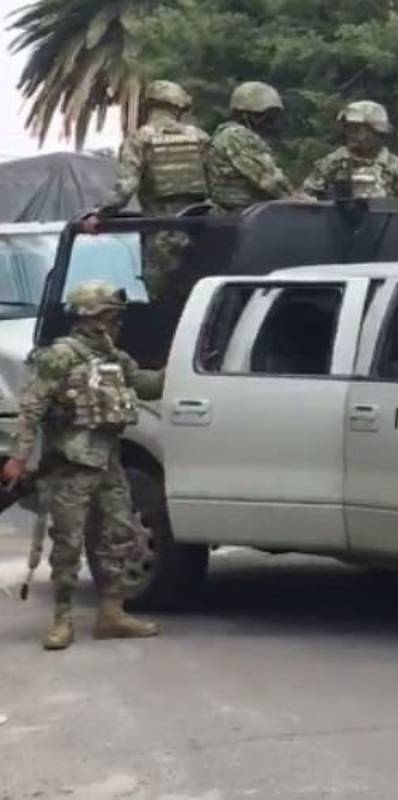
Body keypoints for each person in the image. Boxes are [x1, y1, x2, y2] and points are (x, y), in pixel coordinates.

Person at [1, 282, 164, 650]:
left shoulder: (114, 357)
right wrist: (19, 456)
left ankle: (112, 613)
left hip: (108, 461)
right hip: (71, 464)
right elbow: (32, 408)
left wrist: (178, 367)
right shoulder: (59, 357)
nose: (116, 322)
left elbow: (144, 384)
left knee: (120, 534)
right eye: (110, 315)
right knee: (68, 542)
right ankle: (62, 620)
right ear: (92, 317)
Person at [85, 80, 210, 300]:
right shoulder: (200, 137)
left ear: (149, 106)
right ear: (179, 107)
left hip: (160, 232)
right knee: (198, 297)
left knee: (162, 302)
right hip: (200, 230)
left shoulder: (140, 138)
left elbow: (126, 186)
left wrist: (101, 214)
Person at [205, 82, 295, 213]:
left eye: (272, 116)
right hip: (240, 216)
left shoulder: (240, 136)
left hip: (249, 214)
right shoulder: (235, 136)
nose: (269, 122)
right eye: (263, 116)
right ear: (245, 115)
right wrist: (295, 199)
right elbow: (267, 180)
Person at [301, 101, 398, 201]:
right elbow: (307, 198)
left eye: (357, 130)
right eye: (348, 129)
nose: (351, 135)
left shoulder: (394, 167)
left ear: (376, 132)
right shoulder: (333, 162)